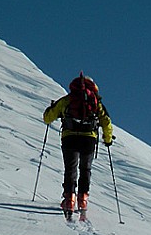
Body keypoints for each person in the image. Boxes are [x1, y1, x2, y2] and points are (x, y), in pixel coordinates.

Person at [43, 73, 114, 218]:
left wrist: (51, 110)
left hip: (69, 138)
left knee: (70, 169)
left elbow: (47, 118)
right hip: (89, 139)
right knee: (85, 168)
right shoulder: (96, 102)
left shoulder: (67, 100)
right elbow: (106, 121)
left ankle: (69, 200)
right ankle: (83, 200)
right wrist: (107, 140)